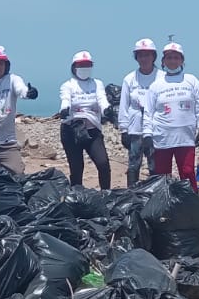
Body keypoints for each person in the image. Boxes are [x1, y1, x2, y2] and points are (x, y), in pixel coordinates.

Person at [143, 42, 199, 183]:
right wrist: (147, 135)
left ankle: (191, 204)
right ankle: (165, 204)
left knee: (188, 173)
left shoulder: (192, 81)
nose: (173, 61)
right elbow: (148, 113)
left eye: (176, 58)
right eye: (169, 58)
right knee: (163, 177)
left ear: (182, 60)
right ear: (163, 61)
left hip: (186, 138)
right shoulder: (156, 85)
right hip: (162, 138)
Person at [57, 51, 111, 189]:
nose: (84, 67)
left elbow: (102, 99)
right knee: (76, 168)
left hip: (92, 131)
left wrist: (107, 110)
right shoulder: (67, 85)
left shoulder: (97, 84)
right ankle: (77, 198)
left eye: (87, 65)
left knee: (103, 163)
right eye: (81, 65)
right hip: (71, 131)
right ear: (74, 67)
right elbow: (65, 99)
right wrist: (64, 109)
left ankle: (106, 195)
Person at [119, 39, 162, 186]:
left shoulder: (162, 77)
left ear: (153, 56)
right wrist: (124, 130)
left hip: (156, 129)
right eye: (140, 55)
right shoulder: (129, 79)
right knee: (133, 163)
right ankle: (131, 195)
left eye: (147, 55)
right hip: (135, 128)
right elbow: (124, 106)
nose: (144, 59)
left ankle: (155, 194)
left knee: (155, 164)